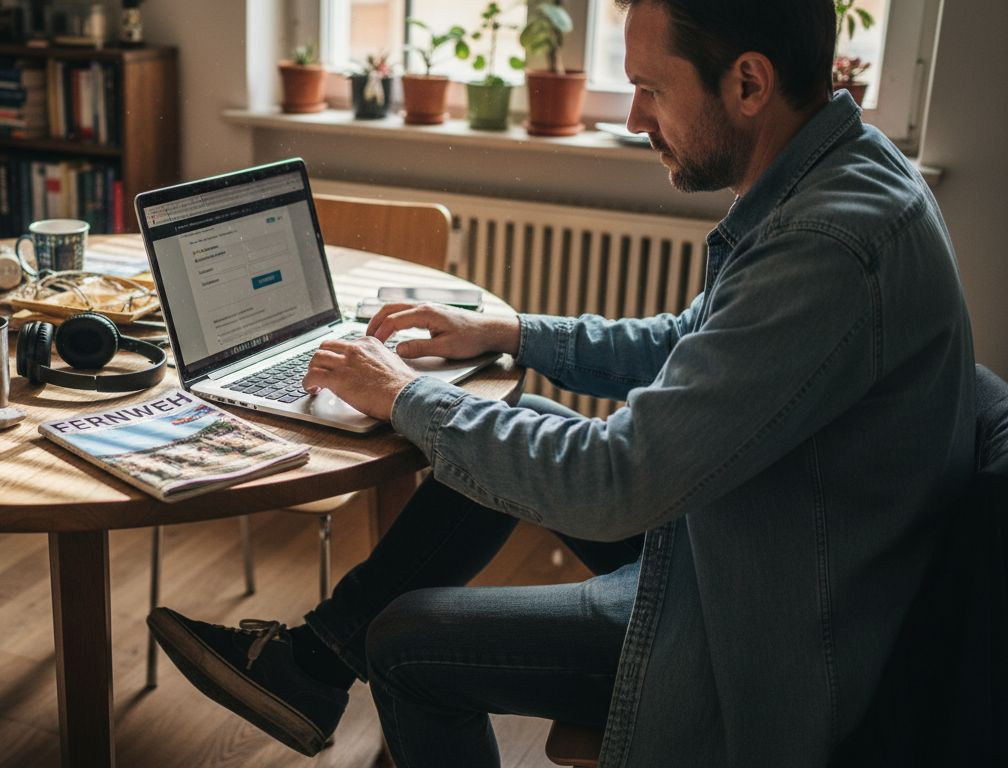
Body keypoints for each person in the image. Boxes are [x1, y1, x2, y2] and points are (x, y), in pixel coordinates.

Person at [148, 0, 976, 765]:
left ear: (749, 83)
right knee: (513, 431)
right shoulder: (843, 177)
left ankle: (328, 660)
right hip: (749, 547)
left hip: (757, 632)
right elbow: (692, 343)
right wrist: (512, 333)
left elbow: (617, 481)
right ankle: (315, 661)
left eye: (650, 89)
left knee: (405, 642)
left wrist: (403, 395)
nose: (637, 117)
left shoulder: (826, 245)